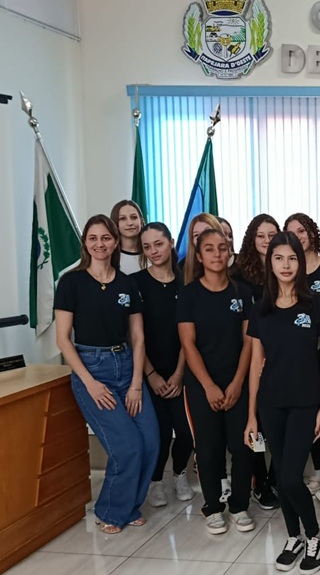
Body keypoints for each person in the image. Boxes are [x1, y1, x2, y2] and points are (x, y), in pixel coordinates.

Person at [54, 214, 159, 534]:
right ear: (85, 243)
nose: (99, 244)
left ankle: (129, 506)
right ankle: (111, 510)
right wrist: (90, 383)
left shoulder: (127, 284)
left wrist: (137, 383)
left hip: (127, 367)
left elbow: (138, 337)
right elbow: (63, 339)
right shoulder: (71, 282)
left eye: (105, 238)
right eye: (93, 238)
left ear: (115, 243)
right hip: (92, 370)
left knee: (150, 442)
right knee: (126, 446)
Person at [245, 232, 320, 574]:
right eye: (279, 258)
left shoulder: (316, 303)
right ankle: (294, 535)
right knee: (282, 476)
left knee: (288, 478)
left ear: (301, 262)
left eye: (292, 258)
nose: (286, 265)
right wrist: (251, 414)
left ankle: (314, 535)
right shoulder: (261, 308)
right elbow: (256, 363)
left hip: (305, 403)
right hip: (271, 404)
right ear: (270, 263)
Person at [177, 227, 256, 535]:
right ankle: (213, 507)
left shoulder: (242, 292)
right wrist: (209, 386)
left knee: (243, 447)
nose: (217, 254)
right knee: (208, 450)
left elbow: (249, 341)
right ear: (199, 256)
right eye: (209, 249)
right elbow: (188, 344)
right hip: (201, 384)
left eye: (222, 248)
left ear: (229, 252)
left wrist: (237, 383)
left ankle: (239, 505)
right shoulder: (189, 295)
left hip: (238, 380)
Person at [133, 222, 194, 508]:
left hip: (182, 370)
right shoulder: (135, 283)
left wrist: (179, 373)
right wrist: (151, 374)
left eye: (158, 244)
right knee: (158, 433)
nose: (153, 251)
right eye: (147, 247)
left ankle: (180, 474)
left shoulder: (187, 282)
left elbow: (189, 334)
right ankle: (155, 481)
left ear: (171, 243)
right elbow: (135, 336)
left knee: (186, 431)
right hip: (149, 372)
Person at [284, 213, 320, 505]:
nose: (298, 235)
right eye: (292, 232)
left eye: (302, 229)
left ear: (312, 232)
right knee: (310, 414)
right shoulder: (290, 275)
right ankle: (319, 471)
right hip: (302, 359)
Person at [235, 213, 281, 509]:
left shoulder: (285, 269)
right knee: (256, 425)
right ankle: (260, 482)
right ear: (252, 239)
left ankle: (277, 478)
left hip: (281, 360)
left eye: (271, 235)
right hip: (252, 359)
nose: (266, 240)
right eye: (260, 236)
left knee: (280, 425)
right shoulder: (239, 277)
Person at [181, 213, 224, 284]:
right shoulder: (183, 268)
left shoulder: (236, 265)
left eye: (207, 231)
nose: (201, 237)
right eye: (196, 235)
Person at [110, 200, 144, 274]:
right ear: (115, 224)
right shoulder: (109, 256)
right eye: (123, 218)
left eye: (134, 217)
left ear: (141, 222)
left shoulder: (152, 253)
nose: (130, 223)